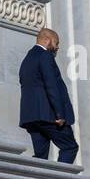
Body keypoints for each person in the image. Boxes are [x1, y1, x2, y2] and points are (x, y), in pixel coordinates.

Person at [19, 27, 78, 163]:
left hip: (31, 117)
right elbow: (52, 86)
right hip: (49, 116)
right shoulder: (45, 56)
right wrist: (60, 115)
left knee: (41, 156)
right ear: (46, 40)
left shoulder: (27, 59)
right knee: (70, 147)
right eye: (56, 43)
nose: (57, 47)